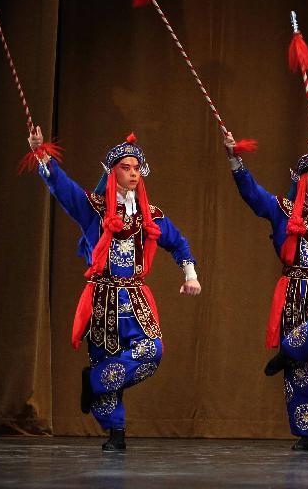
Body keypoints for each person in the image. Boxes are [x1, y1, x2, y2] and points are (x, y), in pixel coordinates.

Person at [29, 128, 201, 451]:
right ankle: (116, 433)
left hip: (135, 298)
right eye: (126, 167)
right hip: (103, 298)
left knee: (152, 351)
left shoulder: (149, 217)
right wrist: (43, 156)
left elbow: (177, 241)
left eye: (137, 168)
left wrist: (189, 273)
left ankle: (93, 382)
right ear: (113, 172)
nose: (133, 173)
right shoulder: (94, 210)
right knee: (106, 357)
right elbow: (64, 189)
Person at [223, 132, 308, 451]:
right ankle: (306, 435)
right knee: (301, 371)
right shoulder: (282, 208)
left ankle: (288, 349)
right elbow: (252, 194)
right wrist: (235, 159)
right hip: (293, 292)